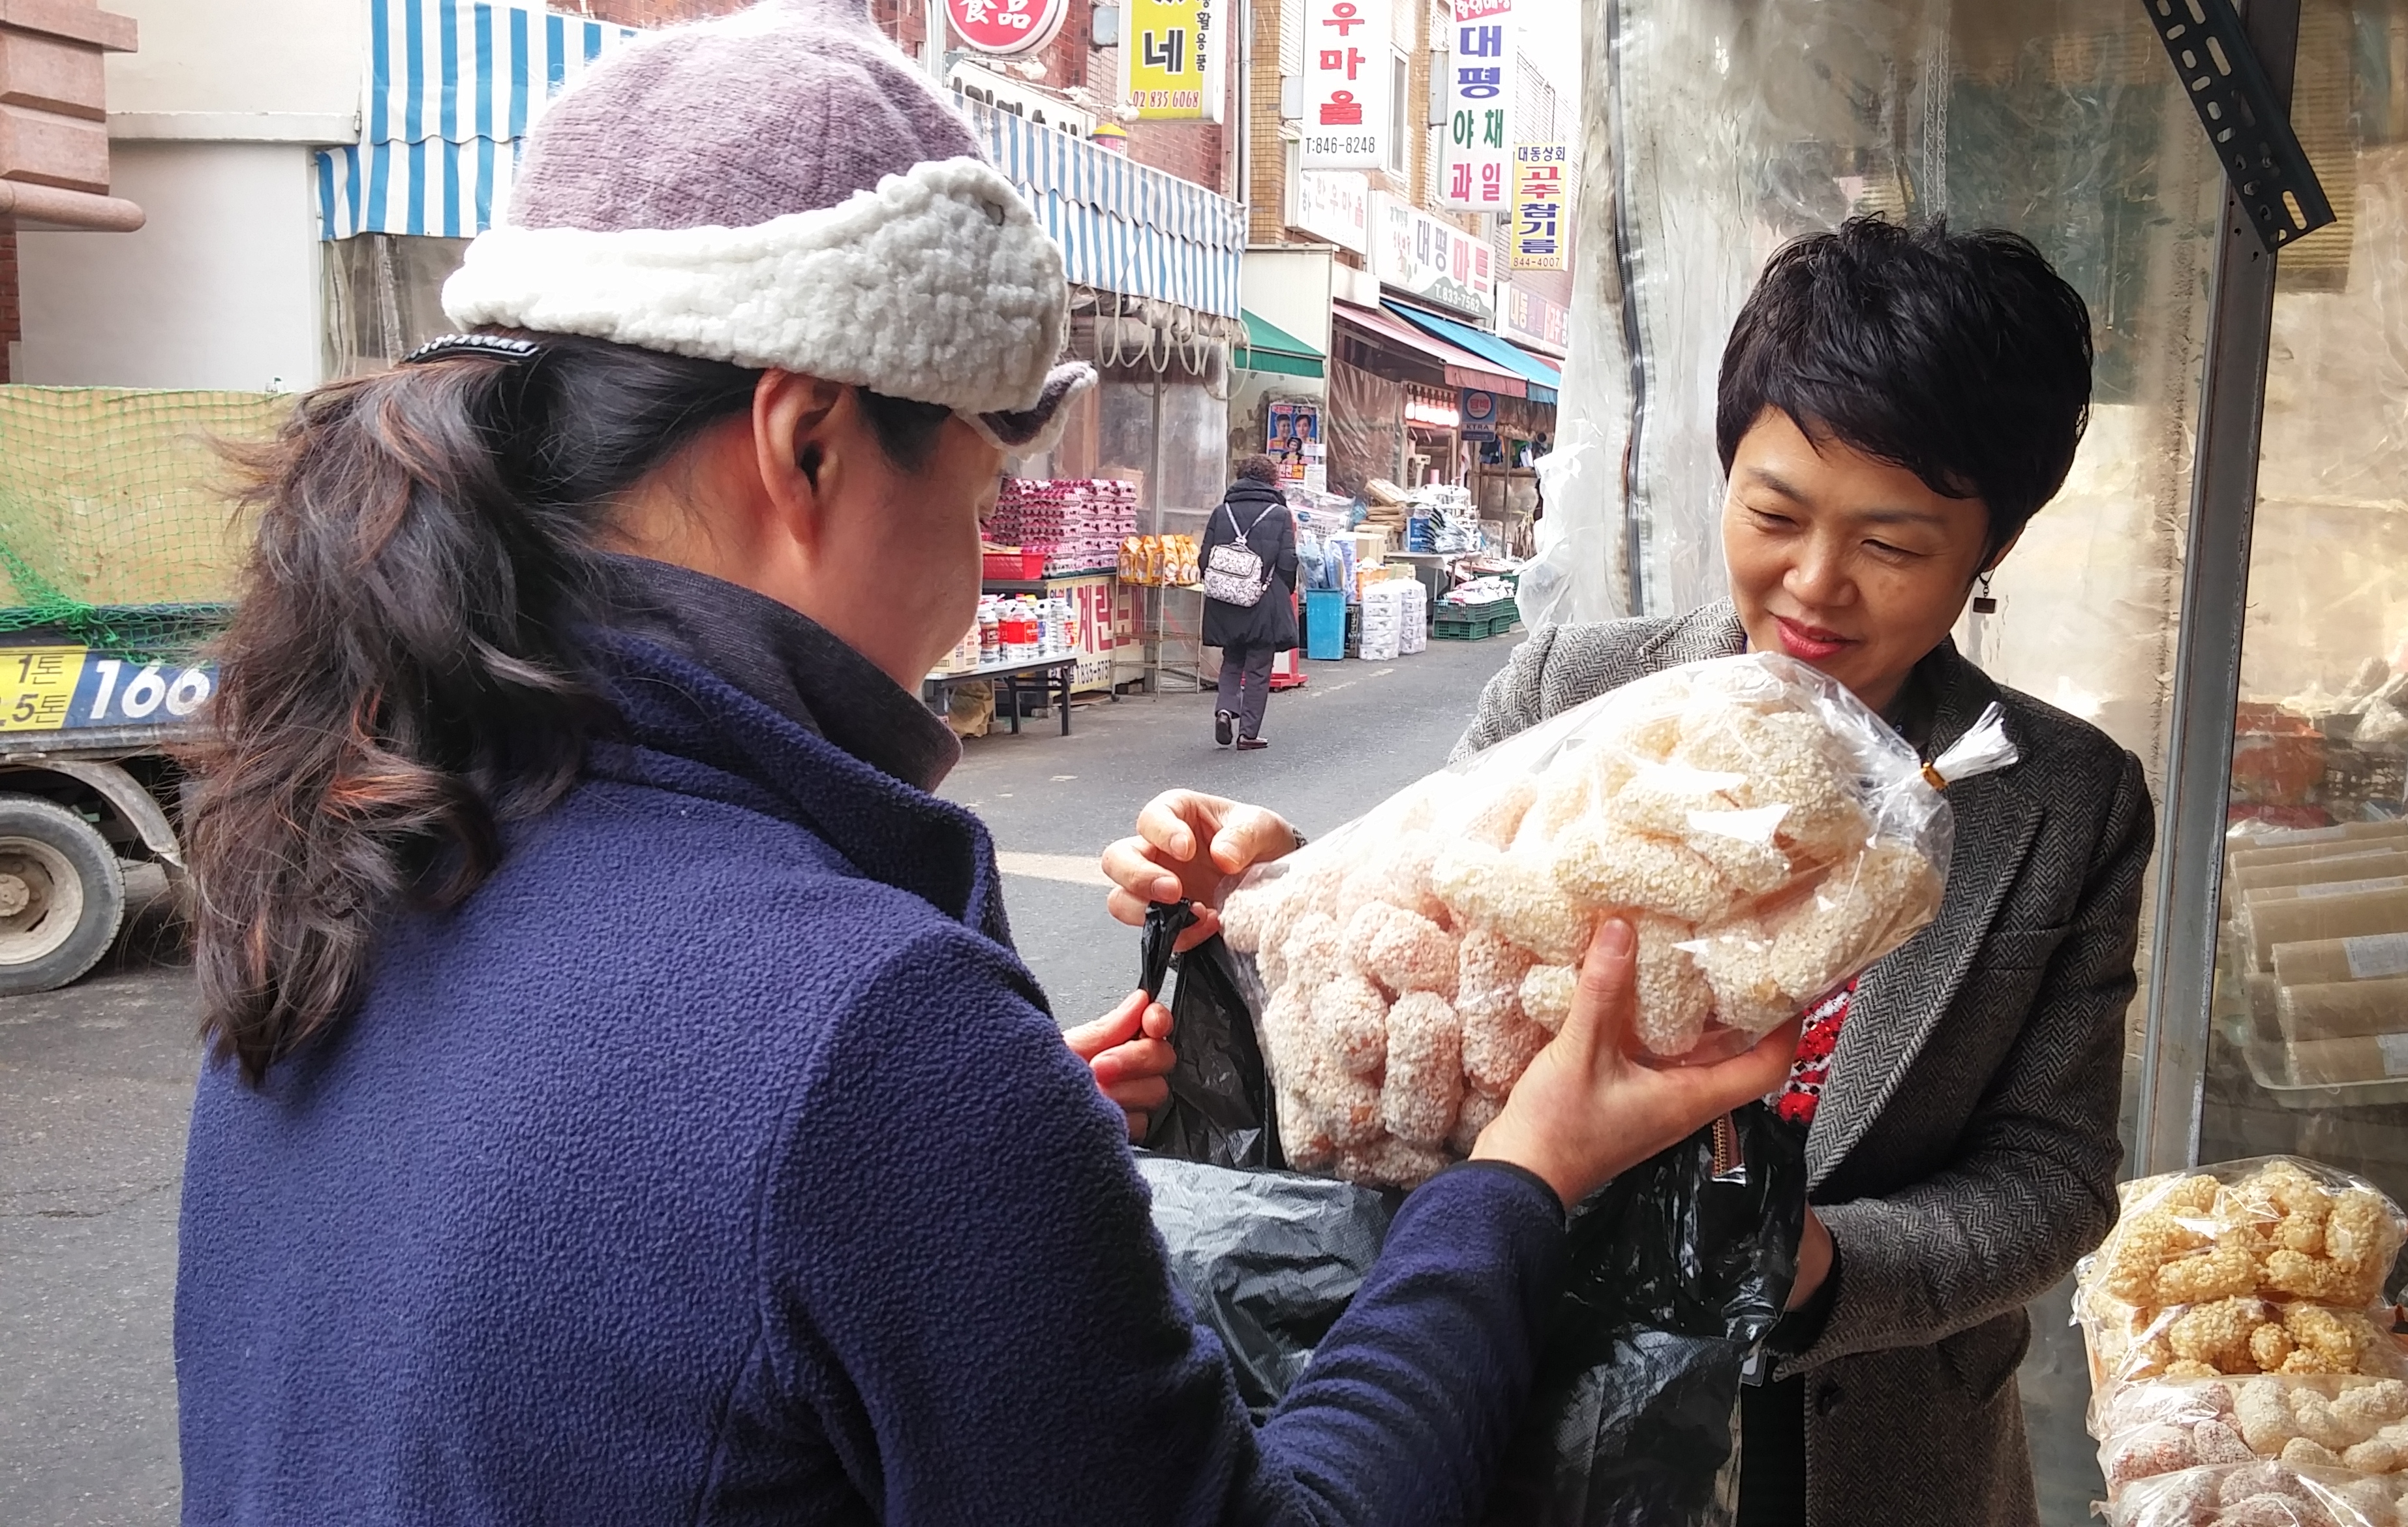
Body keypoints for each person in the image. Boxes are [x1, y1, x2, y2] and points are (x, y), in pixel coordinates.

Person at [165, 7, 1803, 1524]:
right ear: (807, 445)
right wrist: (1516, 1178)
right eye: (970, 497)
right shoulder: (870, 1032)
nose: (974, 578)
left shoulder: (353, 845)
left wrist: (986, 1183)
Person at [1108, 217, 2154, 1526]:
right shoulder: (1579, 689)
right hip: (1556, 1401)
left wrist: (1820, 1270)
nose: (1814, 584)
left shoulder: (2061, 803)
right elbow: (1444, 936)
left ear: (1990, 545)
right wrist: (1274, 921)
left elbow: (2052, 1178)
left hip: (1869, 1452)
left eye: (1892, 546)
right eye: (1774, 514)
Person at [1202, 454, 1297, 750]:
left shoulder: (1222, 512)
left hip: (1226, 599)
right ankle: (1248, 734)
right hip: (1264, 599)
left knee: (1232, 659)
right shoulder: (1280, 515)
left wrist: (1222, 584)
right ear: (1271, 480)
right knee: (1258, 668)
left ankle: (1224, 710)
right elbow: (1288, 560)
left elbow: (1205, 556)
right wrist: (1283, 590)